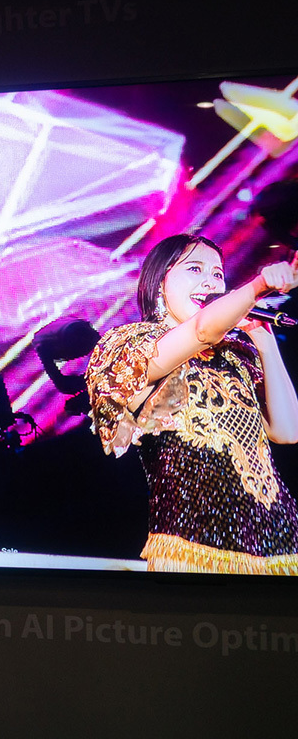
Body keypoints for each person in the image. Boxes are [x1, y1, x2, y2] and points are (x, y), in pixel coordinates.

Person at [86, 234, 298, 573]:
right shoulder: (132, 343)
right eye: (195, 269)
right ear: (160, 281)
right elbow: (201, 331)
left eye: (217, 274)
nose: (211, 282)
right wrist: (257, 286)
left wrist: (262, 335)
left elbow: (288, 430)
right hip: (194, 550)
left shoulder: (236, 355)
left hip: (281, 547)